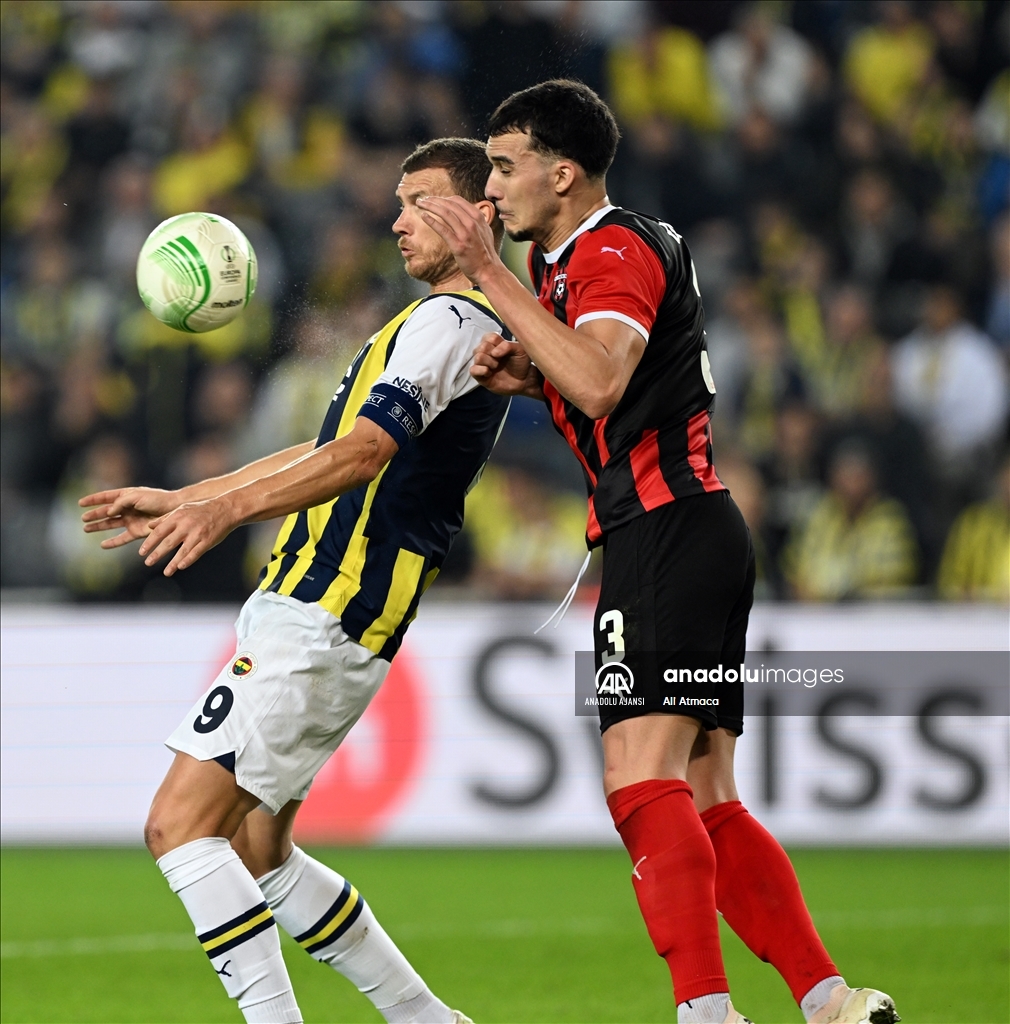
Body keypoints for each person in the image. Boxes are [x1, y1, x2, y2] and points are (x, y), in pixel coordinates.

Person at [417, 80, 900, 1024]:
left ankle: (704, 1012)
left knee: (638, 776)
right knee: (707, 791)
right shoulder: (575, 260)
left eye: (505, 166)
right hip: (691, 530)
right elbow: (616, 388)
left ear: (563, 173)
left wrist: (487, 274)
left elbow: (602, 383)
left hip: (664, 532)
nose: (491, 189)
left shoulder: (610, 249)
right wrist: (532, 378)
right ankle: (830, 999)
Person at [78, 137, 510, 1024]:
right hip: (325, 606)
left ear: (479, 214)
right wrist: (190, 497)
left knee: (178, 826)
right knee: (257, 848)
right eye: (397, 202)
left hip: (329, 604)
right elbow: (329, 447)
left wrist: (224, 513)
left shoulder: (451, 322)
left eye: (421, 202)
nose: (398, 221)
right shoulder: (434, 322)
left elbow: (364, 453)